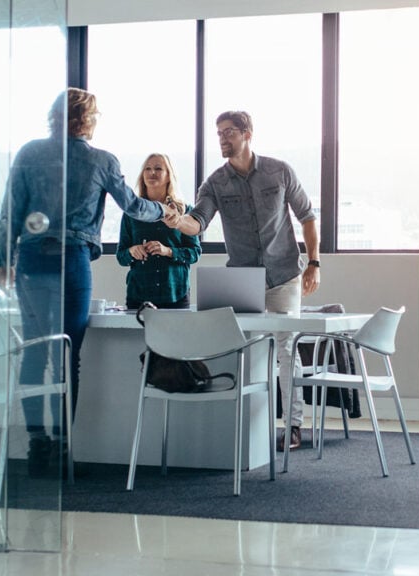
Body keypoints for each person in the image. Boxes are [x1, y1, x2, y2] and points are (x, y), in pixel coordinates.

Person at [0, 88, 177, 476]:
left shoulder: (29, 153)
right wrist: (166, 210)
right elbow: (133, 205)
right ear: (88, 120)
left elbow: (10, 211)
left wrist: (1, 258)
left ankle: (36, 442)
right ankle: (62, 447)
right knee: (67, 355)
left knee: (34, 352)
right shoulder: (101, 160)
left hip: (30, 259)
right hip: (73, 260)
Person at [163, 110, 320, 452]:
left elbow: (307, 216)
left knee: (286, 347)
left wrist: (314, 263)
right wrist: (178, 222)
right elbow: (198, 222)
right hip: (243, 279)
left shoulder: (279, 171)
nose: (222, 138)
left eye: (229, 131)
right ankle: (251, 427)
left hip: (284, 275)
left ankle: (292, 426)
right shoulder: (215, 183)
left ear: (248, 133)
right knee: (247, 350)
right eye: (218, 133)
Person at [116, 153, 202, 310]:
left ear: (169, 176)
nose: (152, 173)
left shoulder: (184, 212)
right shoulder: (131, 213)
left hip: (175, 293)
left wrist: (168, 251)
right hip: (139, 295)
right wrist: (132, 251)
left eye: (158, 168)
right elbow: (121, 257)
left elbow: (194, 253)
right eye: (147, 169)